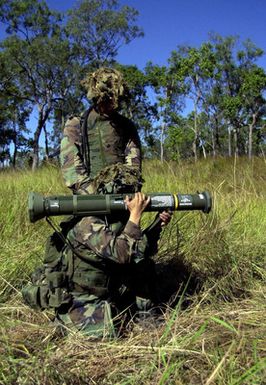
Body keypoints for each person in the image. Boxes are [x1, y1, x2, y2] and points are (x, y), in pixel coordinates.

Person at [54, 165, 172, 338]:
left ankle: (144, 313)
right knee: (103, 338)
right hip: (86, 297)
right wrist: (135, 217)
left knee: (144, 264)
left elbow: (136, 250)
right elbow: (122, 254)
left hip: (110, 289)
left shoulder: (115, 218)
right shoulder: (88, 222)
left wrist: (156, 226)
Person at [60, 67, 142, 195]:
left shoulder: (127, 126)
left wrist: (125, 189)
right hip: (89, 201)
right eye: (107, 99)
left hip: (122, 198)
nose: (112, 104)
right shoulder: (76, 124)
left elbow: (134, 165)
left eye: (116, 99)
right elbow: (71, 168)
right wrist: (94, 195)